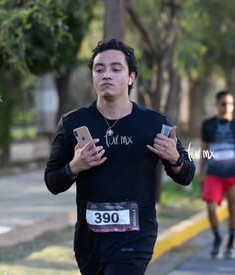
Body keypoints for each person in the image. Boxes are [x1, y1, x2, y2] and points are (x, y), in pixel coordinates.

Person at [44, 38, 195, 275]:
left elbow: (187, 175)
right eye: (99, 69)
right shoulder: (73, 123)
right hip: (89, 243)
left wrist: (175, 158)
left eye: (116, 69)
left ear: (131, 77)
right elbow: (52, 181)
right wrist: (74, 166)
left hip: (135, 239)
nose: (106, 75)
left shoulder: (155, 123)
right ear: (92, 76)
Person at [198, 90, 235, 259]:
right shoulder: (208, 124)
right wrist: (201, 172)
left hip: (234, 173)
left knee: (233, 209)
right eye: (223, 104)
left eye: (230, 104)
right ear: (216, 105)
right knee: (211, 207)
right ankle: (217, 238)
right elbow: (204, 148)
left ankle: (230, 244)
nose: (227, 107)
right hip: (213, 173)